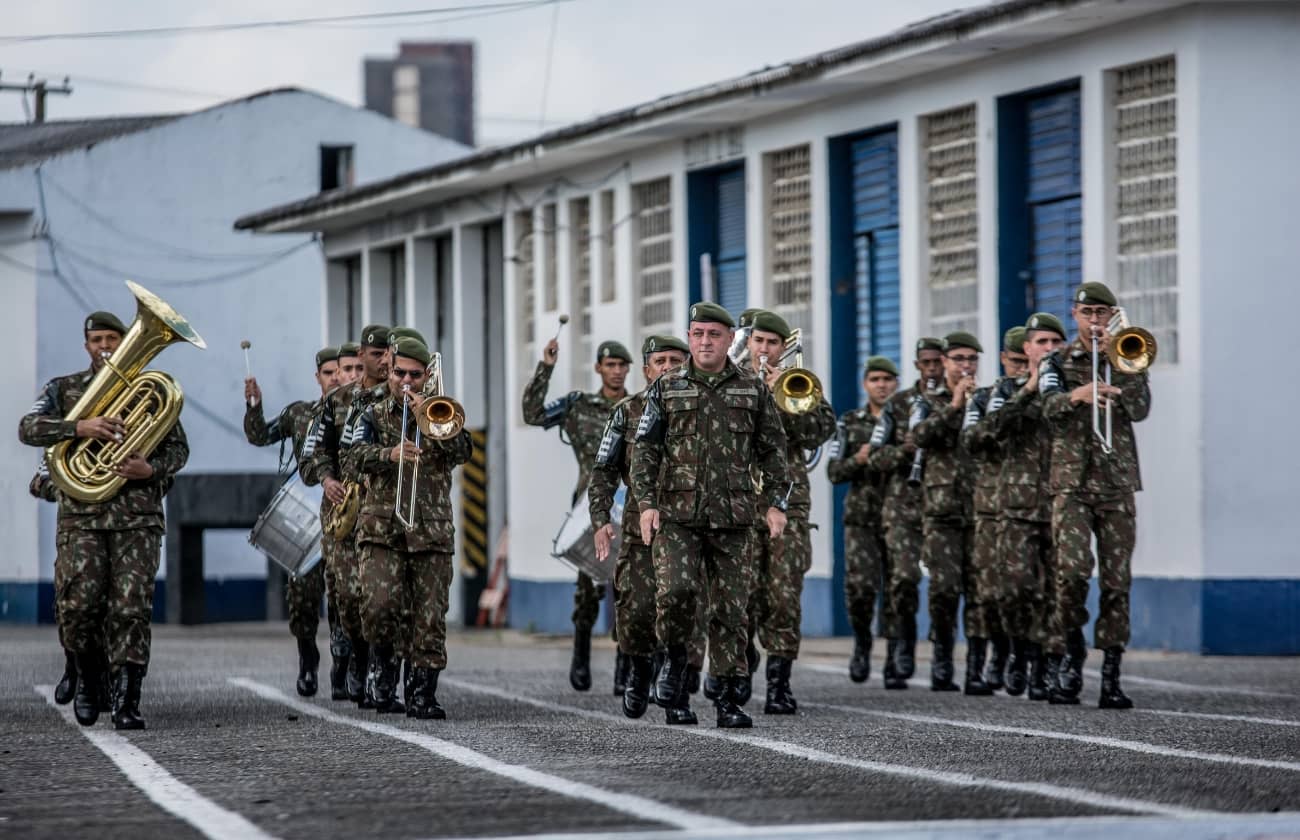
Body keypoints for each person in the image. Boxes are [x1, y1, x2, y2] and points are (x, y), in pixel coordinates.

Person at [19, 310, 189, 730]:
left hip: (137, 519)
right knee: (78, 607)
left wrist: (150, 470)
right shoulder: (64, 389)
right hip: (82, 517)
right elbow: (28, 428)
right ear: (87, 345)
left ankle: (128, 698)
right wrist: (79, 426)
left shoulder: (147, 388)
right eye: (98, 340)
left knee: (130, 609)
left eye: (113, 338)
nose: (106, 347)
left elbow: (179, 451)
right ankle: (87, 679)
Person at [631, 302, 789, 729]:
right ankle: (677, 674)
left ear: (727, 340)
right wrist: (646, 505)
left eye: (713, 334)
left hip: (734, 517)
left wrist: (776, 504)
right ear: (689, 337)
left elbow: (774, 451)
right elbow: (645, 449)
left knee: (731, 610)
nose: (705, 341)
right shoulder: (666, 388)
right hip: (678, 516)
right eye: (698, 334)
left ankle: (727, 698)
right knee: (676, 594)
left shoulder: (752, 390)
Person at [343, 338, 473, 718]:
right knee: (380, 608)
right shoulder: (370, 413)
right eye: (400, 373)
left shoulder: (439, 412)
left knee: (429, 616)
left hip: (430, 531)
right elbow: (351, 459)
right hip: (383, 529)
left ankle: (422, 694)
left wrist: (430, 424)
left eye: (415, 376)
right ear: (390, 369)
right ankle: (382, 669)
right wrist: (389, 454)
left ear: (427, 376)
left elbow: (464, 452)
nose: (407, 382)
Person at [1039, 282, 1150, 709]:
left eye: (1103, 312)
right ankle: (1070, 652)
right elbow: (1046, 408)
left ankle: (1112, 674)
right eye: (1088, 312)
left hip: (1117, 482)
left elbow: (1140, 409)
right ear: (1075, 314)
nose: (1096, 320)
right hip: (1071, 483)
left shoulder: (1128, 354)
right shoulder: (1057, 360)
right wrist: (1076, 395)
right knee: (1071, 572)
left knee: (1118, 581)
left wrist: (1119, 371)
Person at [522, 335, 631, 693]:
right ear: (598, 368)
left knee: (630, 586)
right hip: (589, 505)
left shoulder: (639, 406)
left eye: (621, 365)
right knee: (588, 585)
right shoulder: (578, 405)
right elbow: (533, 414)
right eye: (610, 365)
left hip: (630, 502)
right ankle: (581, 656)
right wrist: (546, 367)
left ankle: (624, 667)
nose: (616, 371)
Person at [589, 334, 691, 718]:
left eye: (676, 361)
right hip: (640, 530)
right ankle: (639, 670)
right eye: (660, 361)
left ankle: (676, 696)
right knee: (637, 610)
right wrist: (600, 520)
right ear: (647, 369)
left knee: (682, 607)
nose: (668, 368)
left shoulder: (699, 408)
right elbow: (603, 471)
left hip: (687, 527)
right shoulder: (627, 412)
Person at [741, 311, 836, 714]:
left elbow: (821, 431)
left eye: (773, 343)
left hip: (789, 504)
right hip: (741, 504)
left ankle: (779, 684)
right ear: (748, 343)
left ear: (785, 347)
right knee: (740, 595)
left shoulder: (800, 382)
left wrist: (786, 398)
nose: (765, 349)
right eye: (759, 341)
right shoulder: (730, 382)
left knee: (784, 595)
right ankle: (739, 666)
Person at [301, 324, 391, 707]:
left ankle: (375, 670)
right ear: (362, 354)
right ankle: (355, 656)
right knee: (349, 598)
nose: (383, 361)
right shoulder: (337, 401)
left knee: (381, 599)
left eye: (389, 354)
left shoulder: (401, 398)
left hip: (383, 512)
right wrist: (326, 479)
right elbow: (313, 452)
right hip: (344, 513)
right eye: (375, 355)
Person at [244, 346, 341, 697]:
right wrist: (254, 406)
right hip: (308, 514)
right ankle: (307, 656)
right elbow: (260, 436)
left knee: (346, 596)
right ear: (318, 378)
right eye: (328, 373)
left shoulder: (360, 413)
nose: (335, 378)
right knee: (303, 595)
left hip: (346, 514)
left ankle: (345, 667)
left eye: (341, 371)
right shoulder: (301, 414)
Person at [989, 313, 1067, 700]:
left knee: (1057, 591)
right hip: (1016, 506)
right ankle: (1019, 649)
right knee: (1017, 589)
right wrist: (1029, 388)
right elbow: (989, 432)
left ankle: (1047, 666)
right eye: (1042, 343)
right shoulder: (1003, 389)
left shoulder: (1073, 387)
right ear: (1027, 349)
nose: (1049, 350)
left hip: (1061, 501)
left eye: (1056, 343)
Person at [870, 338, 945, 688]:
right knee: (902, 579)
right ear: (917, 365)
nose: (932, 369)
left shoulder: (958, 401)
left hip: (944, 504)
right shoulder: (897, 406)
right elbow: (875, 455)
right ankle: (900, 648)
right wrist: (904, 451)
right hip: (901, 506)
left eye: (937, 362)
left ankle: (942, 658)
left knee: (945, 585)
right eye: (926, 363)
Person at [959, 327, 1029, 693]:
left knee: (1039, 587)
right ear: (1004, 359)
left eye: (1027, 361)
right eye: (1016, 361)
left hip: (1039, 505)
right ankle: (998, 653)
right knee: (992, 589)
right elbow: (973, 439)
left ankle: (1033, 658)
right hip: (991, 507)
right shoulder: (987, 398)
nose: (1022, 368)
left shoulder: (1052, 395)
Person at [911, 331, 982, 692]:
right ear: (945, 363)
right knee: (944, 589)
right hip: (940, 510)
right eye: (959, 359)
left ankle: (976, 668)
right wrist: (954, 406)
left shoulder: (986, 398)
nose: (966, 366)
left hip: (982, 508)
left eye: (971, 359)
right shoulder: (927, 400)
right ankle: (941, 658)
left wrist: (973, 406)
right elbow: (918, 436)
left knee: (980, 590)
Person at [827, 355, 899, 685]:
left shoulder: (907, 421)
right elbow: (833, 471)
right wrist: (859, 458)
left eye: (887, 379)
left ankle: (896, 656)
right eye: (875, 379)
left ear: (896, 383)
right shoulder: (849, 422)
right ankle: (862, 643)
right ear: (865, 384)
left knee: (899, 588)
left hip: (900, 516)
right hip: (861, 519)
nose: (882, 385)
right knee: (861, 588)